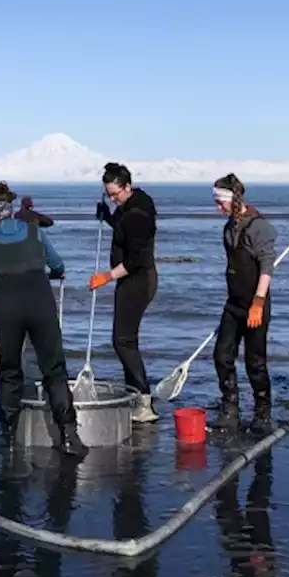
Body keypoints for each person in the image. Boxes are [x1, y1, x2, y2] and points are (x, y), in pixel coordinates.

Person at [0, 182, 88, 459]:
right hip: (40, 305)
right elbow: (58, 266)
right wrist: (44, 275)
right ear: (11, 207)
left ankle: (9, 439)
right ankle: (69, 436)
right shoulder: (35, 232)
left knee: (10, 372)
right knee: (54, 369)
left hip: (6, 310)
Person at [89, 162, 159, 424]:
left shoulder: (138, 215)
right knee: (126, 339)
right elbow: (121, 226)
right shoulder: (132, 205)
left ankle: (143, 401)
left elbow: (135, 260)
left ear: (127, 187)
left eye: (115, 194)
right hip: (132, 280)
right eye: (108, 194)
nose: (112, 198)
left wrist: (105, 277)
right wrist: (107, 215)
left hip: (138, 280)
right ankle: (135, 395)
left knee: (123, 340)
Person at [210, 174, 278, 435]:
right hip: (234, 303)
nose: (218, 207)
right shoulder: (229, 227)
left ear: (233, 199)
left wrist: (258, 302)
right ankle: (230, 409)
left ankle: (262, 414)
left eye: (220, 202)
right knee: (222, 356)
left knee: (255, 362)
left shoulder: (259, 227)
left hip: (255, 303)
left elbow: (266, 268)